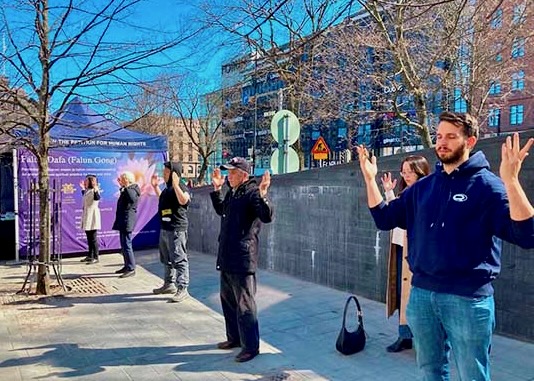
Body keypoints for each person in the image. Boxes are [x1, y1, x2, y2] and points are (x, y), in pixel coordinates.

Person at [357, 111, 534, 381]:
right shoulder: (423, 187)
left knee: (472, 376)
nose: (442, 142)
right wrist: (370, 180)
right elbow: (384, 218)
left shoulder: (488, 187)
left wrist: (511, 181)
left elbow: (526, 235)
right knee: (430, 371)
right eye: (439, 136)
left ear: (470, 141)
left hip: (468, 300)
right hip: (422, 296)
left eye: (451, 137)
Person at [210, 157, 273, 363]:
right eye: (228, 173)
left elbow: (266, 216)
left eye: (232, 173)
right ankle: (234, 338)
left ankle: (251, 347)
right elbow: (222, 211)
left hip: (243, 258)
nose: (228, 176)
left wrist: (264, 194)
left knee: (245, 305)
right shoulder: (232, 192)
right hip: (227, 256)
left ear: (243, 175)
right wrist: (217, 190)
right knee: (228, 301)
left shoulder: (252, 193)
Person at [381, 155, 430, 353]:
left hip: (417, 252)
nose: (407, 175)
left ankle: (418, 338)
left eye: (410, 171)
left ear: (421, 171)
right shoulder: (406, 193)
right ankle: (405, 336)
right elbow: (394, 215)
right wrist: (389, 193)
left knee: (414, 297)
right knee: (401, 294)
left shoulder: (426, 193)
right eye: (404, 171)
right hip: (400, 248)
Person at [151, 161, 191, 302]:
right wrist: (155, 187)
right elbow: (163, 199)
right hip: (165, 228)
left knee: (179, 259)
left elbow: (184, 200)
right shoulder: (167, 189)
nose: (164, 174)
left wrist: (175, 184)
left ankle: (182, 288)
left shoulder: (180, 186)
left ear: (175, 174)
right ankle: (169, 284)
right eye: (165, 171)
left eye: (167, 172)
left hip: (176, 229)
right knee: (167, 259)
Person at [112, 171, 140, 278]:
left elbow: (131, 199)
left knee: (127, 245)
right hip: (123, 220)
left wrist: (126, 186)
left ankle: (131, 268)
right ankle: (126, 265)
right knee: (123, 244)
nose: (121, 181)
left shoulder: (133, 189)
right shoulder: (127, 189)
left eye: (123, 179)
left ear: (127, 179)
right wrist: (122, 187)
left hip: (128, 220)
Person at [80, 174, 102, 264]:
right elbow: (84, 196)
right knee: (88, 236)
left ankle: (96, 257)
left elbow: (97, 198)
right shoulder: (87, 191)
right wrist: (82, 188)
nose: (85, 182)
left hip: (92, 215)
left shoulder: (95, 190)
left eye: (86, 181)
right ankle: (90, 255)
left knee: (93, 237)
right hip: (86, 214)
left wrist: (96, 189)